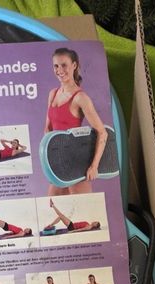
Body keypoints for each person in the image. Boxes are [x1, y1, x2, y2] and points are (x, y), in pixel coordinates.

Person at [44, 47, 108, 195]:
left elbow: (102, 132)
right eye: (56, 66)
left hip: (77, 162)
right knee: (52, 204)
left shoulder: (80, 98)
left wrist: (94, 166)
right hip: (58, 163)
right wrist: (50, 160)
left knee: (82, 208)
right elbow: (47, 130)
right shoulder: (53, 94)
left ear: (74, 65)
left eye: (64, 65)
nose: (59, 70)